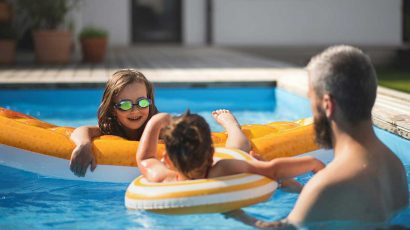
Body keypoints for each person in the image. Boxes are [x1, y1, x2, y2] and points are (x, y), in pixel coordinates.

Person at [226, 45, 409, 228]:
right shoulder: (394, 166)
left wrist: (239, 214)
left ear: (328, 105)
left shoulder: (325, 185)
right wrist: (294, 187)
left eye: (311, 100)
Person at [136, 109, 325, 184]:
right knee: (237, 150)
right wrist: (313, 163)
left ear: (167, 160)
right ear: (211, 152)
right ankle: (232, 127)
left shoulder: (163, 178)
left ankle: (231, 124)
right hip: (223, 165)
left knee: (235, 152)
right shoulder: (224, 168)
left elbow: (145, 158)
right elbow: (273, 170)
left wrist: (156, 121)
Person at [69, 69, 159, 177]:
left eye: (142, 102)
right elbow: (81, 130)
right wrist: (84, 144)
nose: (135, 111)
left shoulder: (156, 127)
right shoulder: (111, 128)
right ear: (113, 109)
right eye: (125, 105)